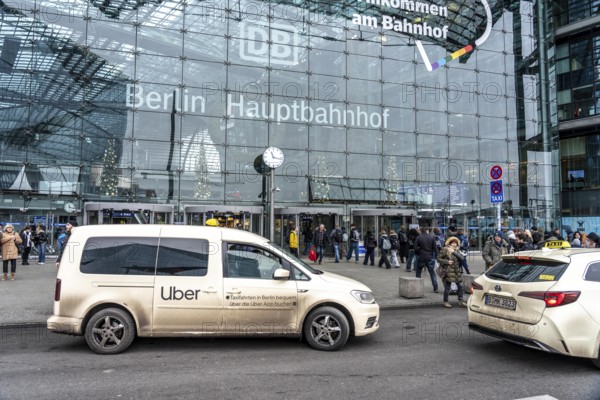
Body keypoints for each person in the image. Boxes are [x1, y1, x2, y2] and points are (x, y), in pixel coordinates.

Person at [437, 237, 467, 308]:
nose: (454, 244)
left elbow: (462, 258)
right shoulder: (445, 249)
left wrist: (454, 252)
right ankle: (445, 301)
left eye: (455, 243)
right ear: (450, 243)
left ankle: (461, 301)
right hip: (449, 271)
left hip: (457, 271)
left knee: (460, 286)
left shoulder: (457, 251)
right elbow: (438, 258)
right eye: (453, 243)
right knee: (448, 287)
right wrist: (447, 262)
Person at [414, 228, 439, 293]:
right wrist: (436, 256)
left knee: (418, 271)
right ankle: (435, 287)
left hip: (421, 256)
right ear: (427, 231)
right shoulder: (431, 238)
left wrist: (418, 253)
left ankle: (418, 287)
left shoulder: (418, 238)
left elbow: (415, 248)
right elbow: (435, 248)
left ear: (421, 231)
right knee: (432, 273)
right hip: (430, 256)